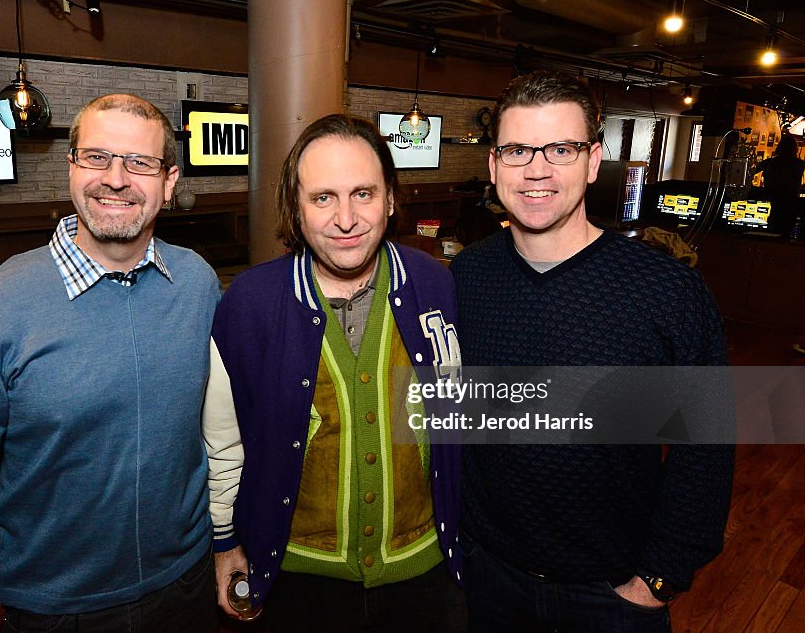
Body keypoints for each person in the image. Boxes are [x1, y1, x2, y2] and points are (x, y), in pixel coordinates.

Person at [0, 93, 222, 632]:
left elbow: (221, 429)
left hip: (187, 585)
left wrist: (227, 542)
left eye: (140, 163)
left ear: (169, 183)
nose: (116, 178)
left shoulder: (197, 283)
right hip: (56, 609)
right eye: (97, 157)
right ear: (72, 168)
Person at [449, 71, 735, 632]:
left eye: (560, 148)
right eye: (516, 150)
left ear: (592, 159)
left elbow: (706, 444)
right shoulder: (466, 277)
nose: (536, 169)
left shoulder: (666, 291)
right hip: (485, 578)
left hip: (612, 594)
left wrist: (659, 579)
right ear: (493, 164)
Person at [207, 114, 466, 632]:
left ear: (391, 198)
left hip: (424, 570)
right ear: (296, 209)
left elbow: (451, 417)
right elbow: (224, 440)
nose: (346, 218)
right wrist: (225, 541)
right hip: (298, 577)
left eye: (363, 194)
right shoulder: (250, 304)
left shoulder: (435, 285)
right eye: (323, 197)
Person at [756, 134, 804, 236]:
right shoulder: (799, 164)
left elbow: (750, 172)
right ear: (795, 149)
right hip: (791, 204)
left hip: (773, 201)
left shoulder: (769, 163)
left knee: (772, 231)